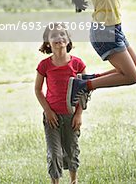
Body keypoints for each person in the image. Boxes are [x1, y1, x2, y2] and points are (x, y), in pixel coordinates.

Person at [35, 22, 95, 184]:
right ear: (47, 42)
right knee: (54, 153)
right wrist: (47, 111)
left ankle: (73, 181)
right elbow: (38, 90)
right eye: (53, 35)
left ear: (68, 40)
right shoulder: (44, 65)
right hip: (52, 116)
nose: (58, 38)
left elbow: (84, 91)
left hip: (71, 115)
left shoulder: (77, 64)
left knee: (71, 149)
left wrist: (79, 114)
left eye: (62, 34)